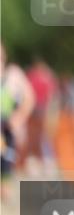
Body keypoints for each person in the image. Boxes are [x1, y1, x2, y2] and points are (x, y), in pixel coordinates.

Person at [1, 43, 36, 202]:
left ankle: (5, 187)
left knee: (5, 161)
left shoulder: (13, 74)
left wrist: (18, 118)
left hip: (6, 128)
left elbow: (30, 98)